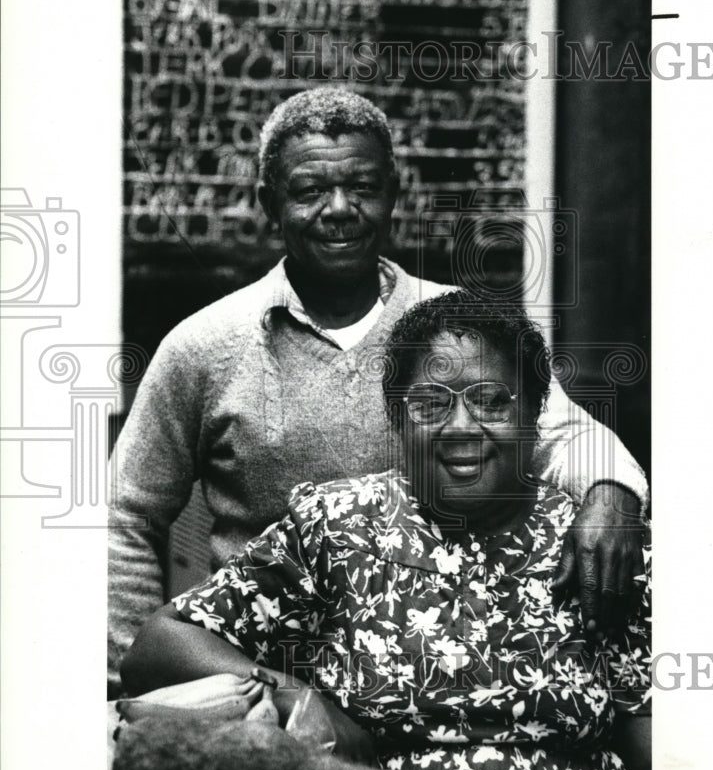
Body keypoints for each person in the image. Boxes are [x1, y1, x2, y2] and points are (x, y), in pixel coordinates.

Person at [109, 86, 649, 697]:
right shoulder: (206, 344)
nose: (339, 209)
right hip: (265, 691)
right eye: (310, 191)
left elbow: (563, 432)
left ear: (392, 193)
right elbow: (126, 513)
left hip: (427, 673)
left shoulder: (454, 325)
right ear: (269, 202)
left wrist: (610, 492)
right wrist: (130, 682)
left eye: (363, 187)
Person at [122, 290, 651, 770]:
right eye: (429, 404)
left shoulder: (595, 545)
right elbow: (157, 647)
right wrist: (296, 693)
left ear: (534, 413)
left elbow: (653, 761)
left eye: (491, 401)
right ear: (398, 418)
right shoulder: (337, 527)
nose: (461, 427)